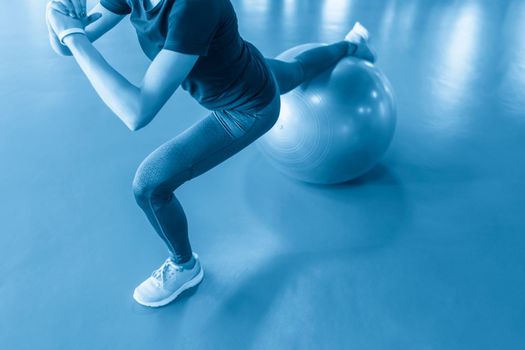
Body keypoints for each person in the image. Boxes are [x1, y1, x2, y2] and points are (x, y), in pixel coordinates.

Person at [45, 0, 376, 307]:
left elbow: (136, 111)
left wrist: (72, 36)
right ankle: (353, 45)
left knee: (149, 185)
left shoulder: (194, 6)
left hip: (247, 110)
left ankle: (184, 266)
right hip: (250, 68)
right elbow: (68, 42)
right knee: (298, 70)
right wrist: (57, 13)